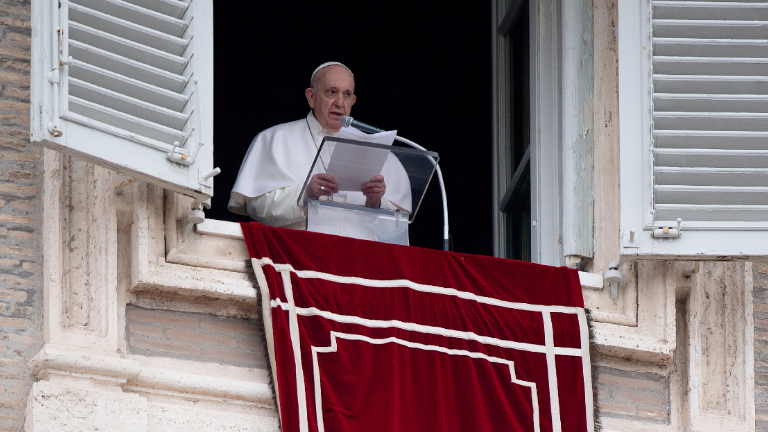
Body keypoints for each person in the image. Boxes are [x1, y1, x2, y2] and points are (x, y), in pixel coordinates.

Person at [228, 62, 409, 229]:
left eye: (346, 95)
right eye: (331, 92)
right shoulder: (275, 138)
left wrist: (375, 202)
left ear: (353, 101)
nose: (339, 102)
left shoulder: (378, 151)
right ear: (312, 97)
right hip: (295, 257)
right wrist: (305, 195)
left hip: (358, 258)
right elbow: (256, 208)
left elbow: (399, 227)